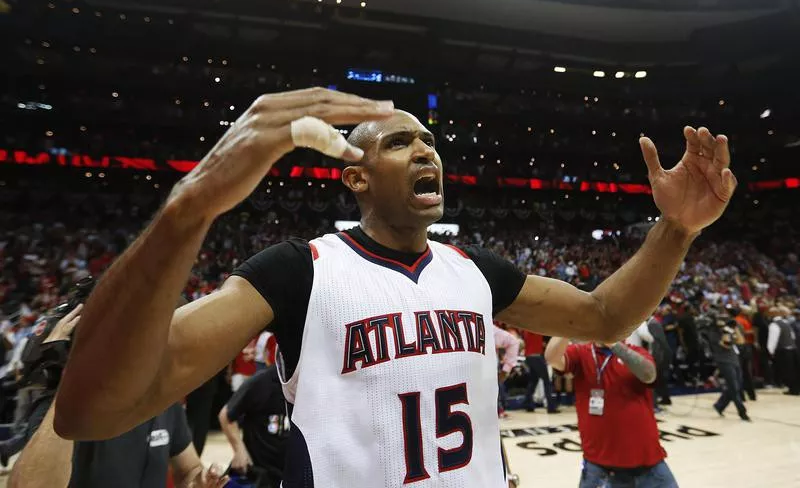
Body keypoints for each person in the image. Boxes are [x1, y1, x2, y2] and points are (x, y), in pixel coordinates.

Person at [55, 88, 737, 487]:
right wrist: (190, 205)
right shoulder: (298, 269)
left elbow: (604, 312)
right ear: (354, 176)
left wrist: (676, 231)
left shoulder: (474, 269)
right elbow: (96, 409)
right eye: (400, 142)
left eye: (431, 141)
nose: (426, 150)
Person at [9, 305, 228, 488]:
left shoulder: (164, 401)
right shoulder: (59, 408)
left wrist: (200, 481)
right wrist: (68, 377)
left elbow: (188, 468)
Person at [545, 337, 678, 488]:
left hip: (649, 466)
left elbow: (649, 374)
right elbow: (552, 358)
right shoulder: (582, 353)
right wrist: (568, 326)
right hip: (601, 468)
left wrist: (613, 342)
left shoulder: (636, 351)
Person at [218, 366, 289, 488]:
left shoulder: (311, 385)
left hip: (293, 473)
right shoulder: (263, 381)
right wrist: (239, 450)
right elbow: (226, 415)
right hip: (262, 474)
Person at [705, 310, 750, 421]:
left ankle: (719, 405)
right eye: (720, 319)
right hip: (723, 361)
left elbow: (741, 341)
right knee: (734, 387)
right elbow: (726, 345)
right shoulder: (713, 332)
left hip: (734, 359)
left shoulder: (728, 330)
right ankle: (742, 411)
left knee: (737, 385)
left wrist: (734, 328)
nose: (722, 322)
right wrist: (726, 332)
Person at [520, 330, 560, 413]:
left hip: (528, 357)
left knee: (533, 381)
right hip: (536, 356)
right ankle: (551, 407)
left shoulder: (526, 330)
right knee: (547, 381)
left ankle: (528, 404)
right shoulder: (535, 328)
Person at [767, 306, 799, 395]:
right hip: (793, 349)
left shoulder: (774, 325)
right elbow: (793, 336)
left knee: (786, 371)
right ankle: (795, 388)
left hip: (783, 351)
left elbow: (772, 340)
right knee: (794, 370)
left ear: (773, 314)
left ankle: (792, 389)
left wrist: (771, 352)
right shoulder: (786, 323)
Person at [494, 324, 520, 418]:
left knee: (497, 388)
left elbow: (513, 341)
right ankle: (500, 409)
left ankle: (500, 409)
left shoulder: (487, 326)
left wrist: (506, 369)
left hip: (488, 371)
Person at [734, 305, 757, 401]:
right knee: (744, 372)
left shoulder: (744, 320)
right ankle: (747, 395)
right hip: (744, 346)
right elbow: (742, 333)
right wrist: (752, 332)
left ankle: (745, 395)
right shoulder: (739, 320)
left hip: (744, 347)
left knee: (743, 372)